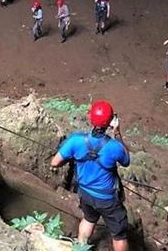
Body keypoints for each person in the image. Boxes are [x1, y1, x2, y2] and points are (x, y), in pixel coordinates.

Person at [51, 101, 130, 251]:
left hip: (85, 193)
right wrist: (118, 133)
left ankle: (80, 248)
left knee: (88, 219)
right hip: (107, 199)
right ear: (110, 123)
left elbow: (55, 162)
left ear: (91, 119)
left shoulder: (76, 140)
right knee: (119, 235)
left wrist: (72, 156)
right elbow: (126, 160)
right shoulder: (114, 147)